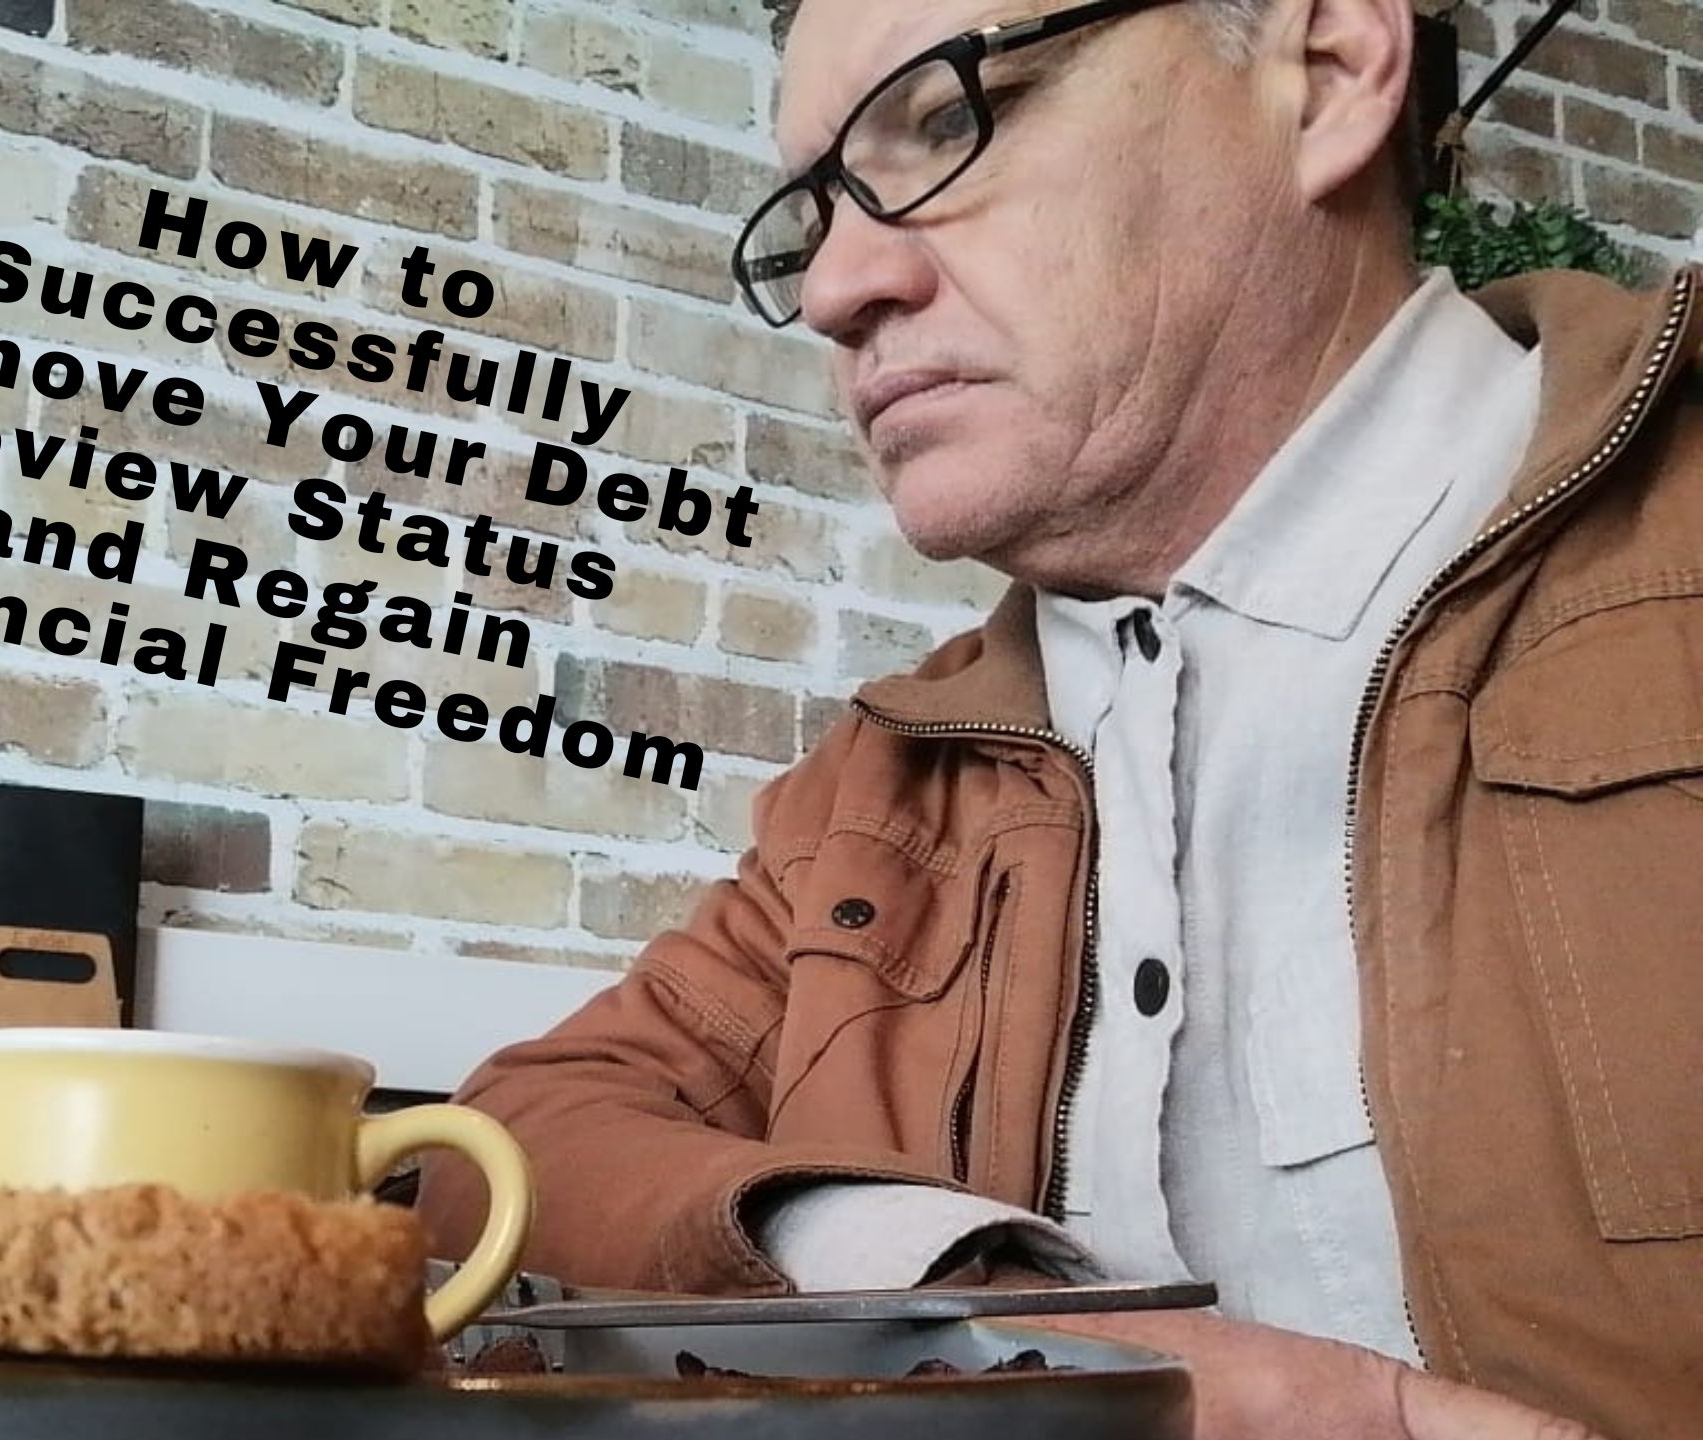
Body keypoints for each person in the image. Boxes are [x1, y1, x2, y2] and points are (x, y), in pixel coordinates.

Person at [413, 0, 1702, 1436]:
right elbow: (499, 1146)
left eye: (951, 119)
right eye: (812, 216)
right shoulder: (876, 786)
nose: (838, 288)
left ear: (1330, 72)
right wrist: (952, 1297)